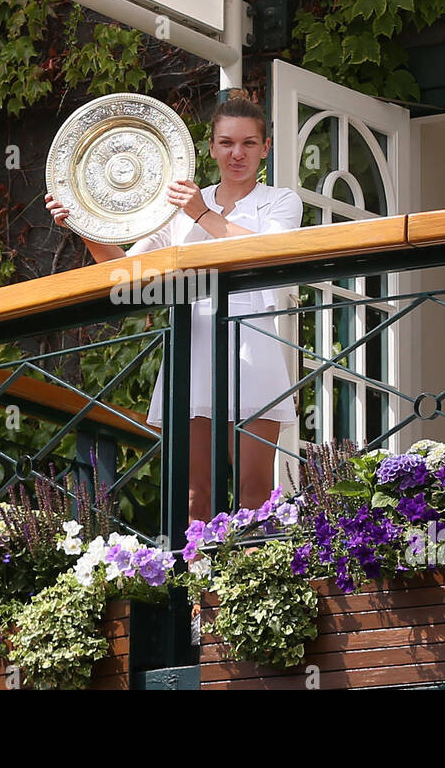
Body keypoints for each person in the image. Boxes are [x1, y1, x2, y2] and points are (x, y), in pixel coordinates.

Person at [46, 90, 303, 522]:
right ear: (211, 147)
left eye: (248, 143)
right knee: (192, 495)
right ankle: (201, 587)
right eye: (226, 143)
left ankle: (255, 584)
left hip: (254, 352)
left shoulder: (280, 201)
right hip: (192, 350)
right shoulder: (178, 208)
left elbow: (266, 251)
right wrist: (83, 225)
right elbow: (127, 271)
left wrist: (203, 214)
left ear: (265, 148)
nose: (236, 153)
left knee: (254, 492)